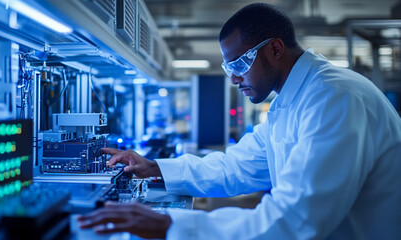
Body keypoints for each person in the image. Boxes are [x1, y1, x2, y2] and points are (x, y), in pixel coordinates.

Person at [78, 3, 401, 239]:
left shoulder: (334, 96)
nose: (234, 79)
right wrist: (156, 167)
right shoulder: (292, 100)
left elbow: (298, 219)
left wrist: (173, 225)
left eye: (241, 63)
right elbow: (238, 166)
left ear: (275, 48)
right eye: (228, 67)